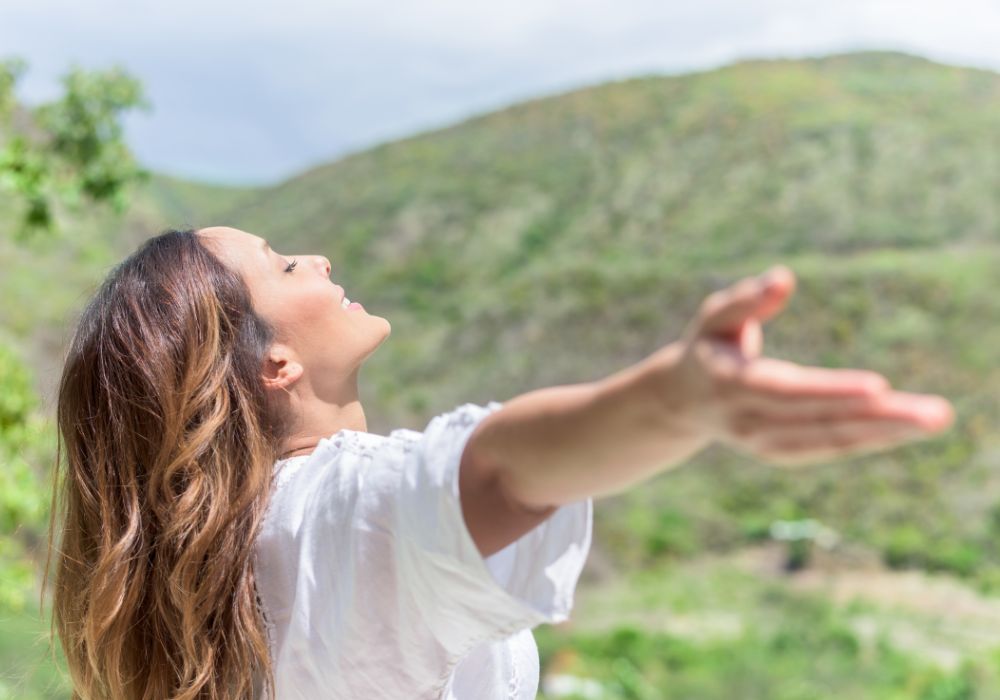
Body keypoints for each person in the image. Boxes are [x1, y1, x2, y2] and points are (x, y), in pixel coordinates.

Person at [48, 226, 953, 700]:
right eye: (285, 267)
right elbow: (498, 475)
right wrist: (678, 402)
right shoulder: (322, 523)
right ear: (272, 364)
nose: (317, 256)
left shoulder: (243, 554)